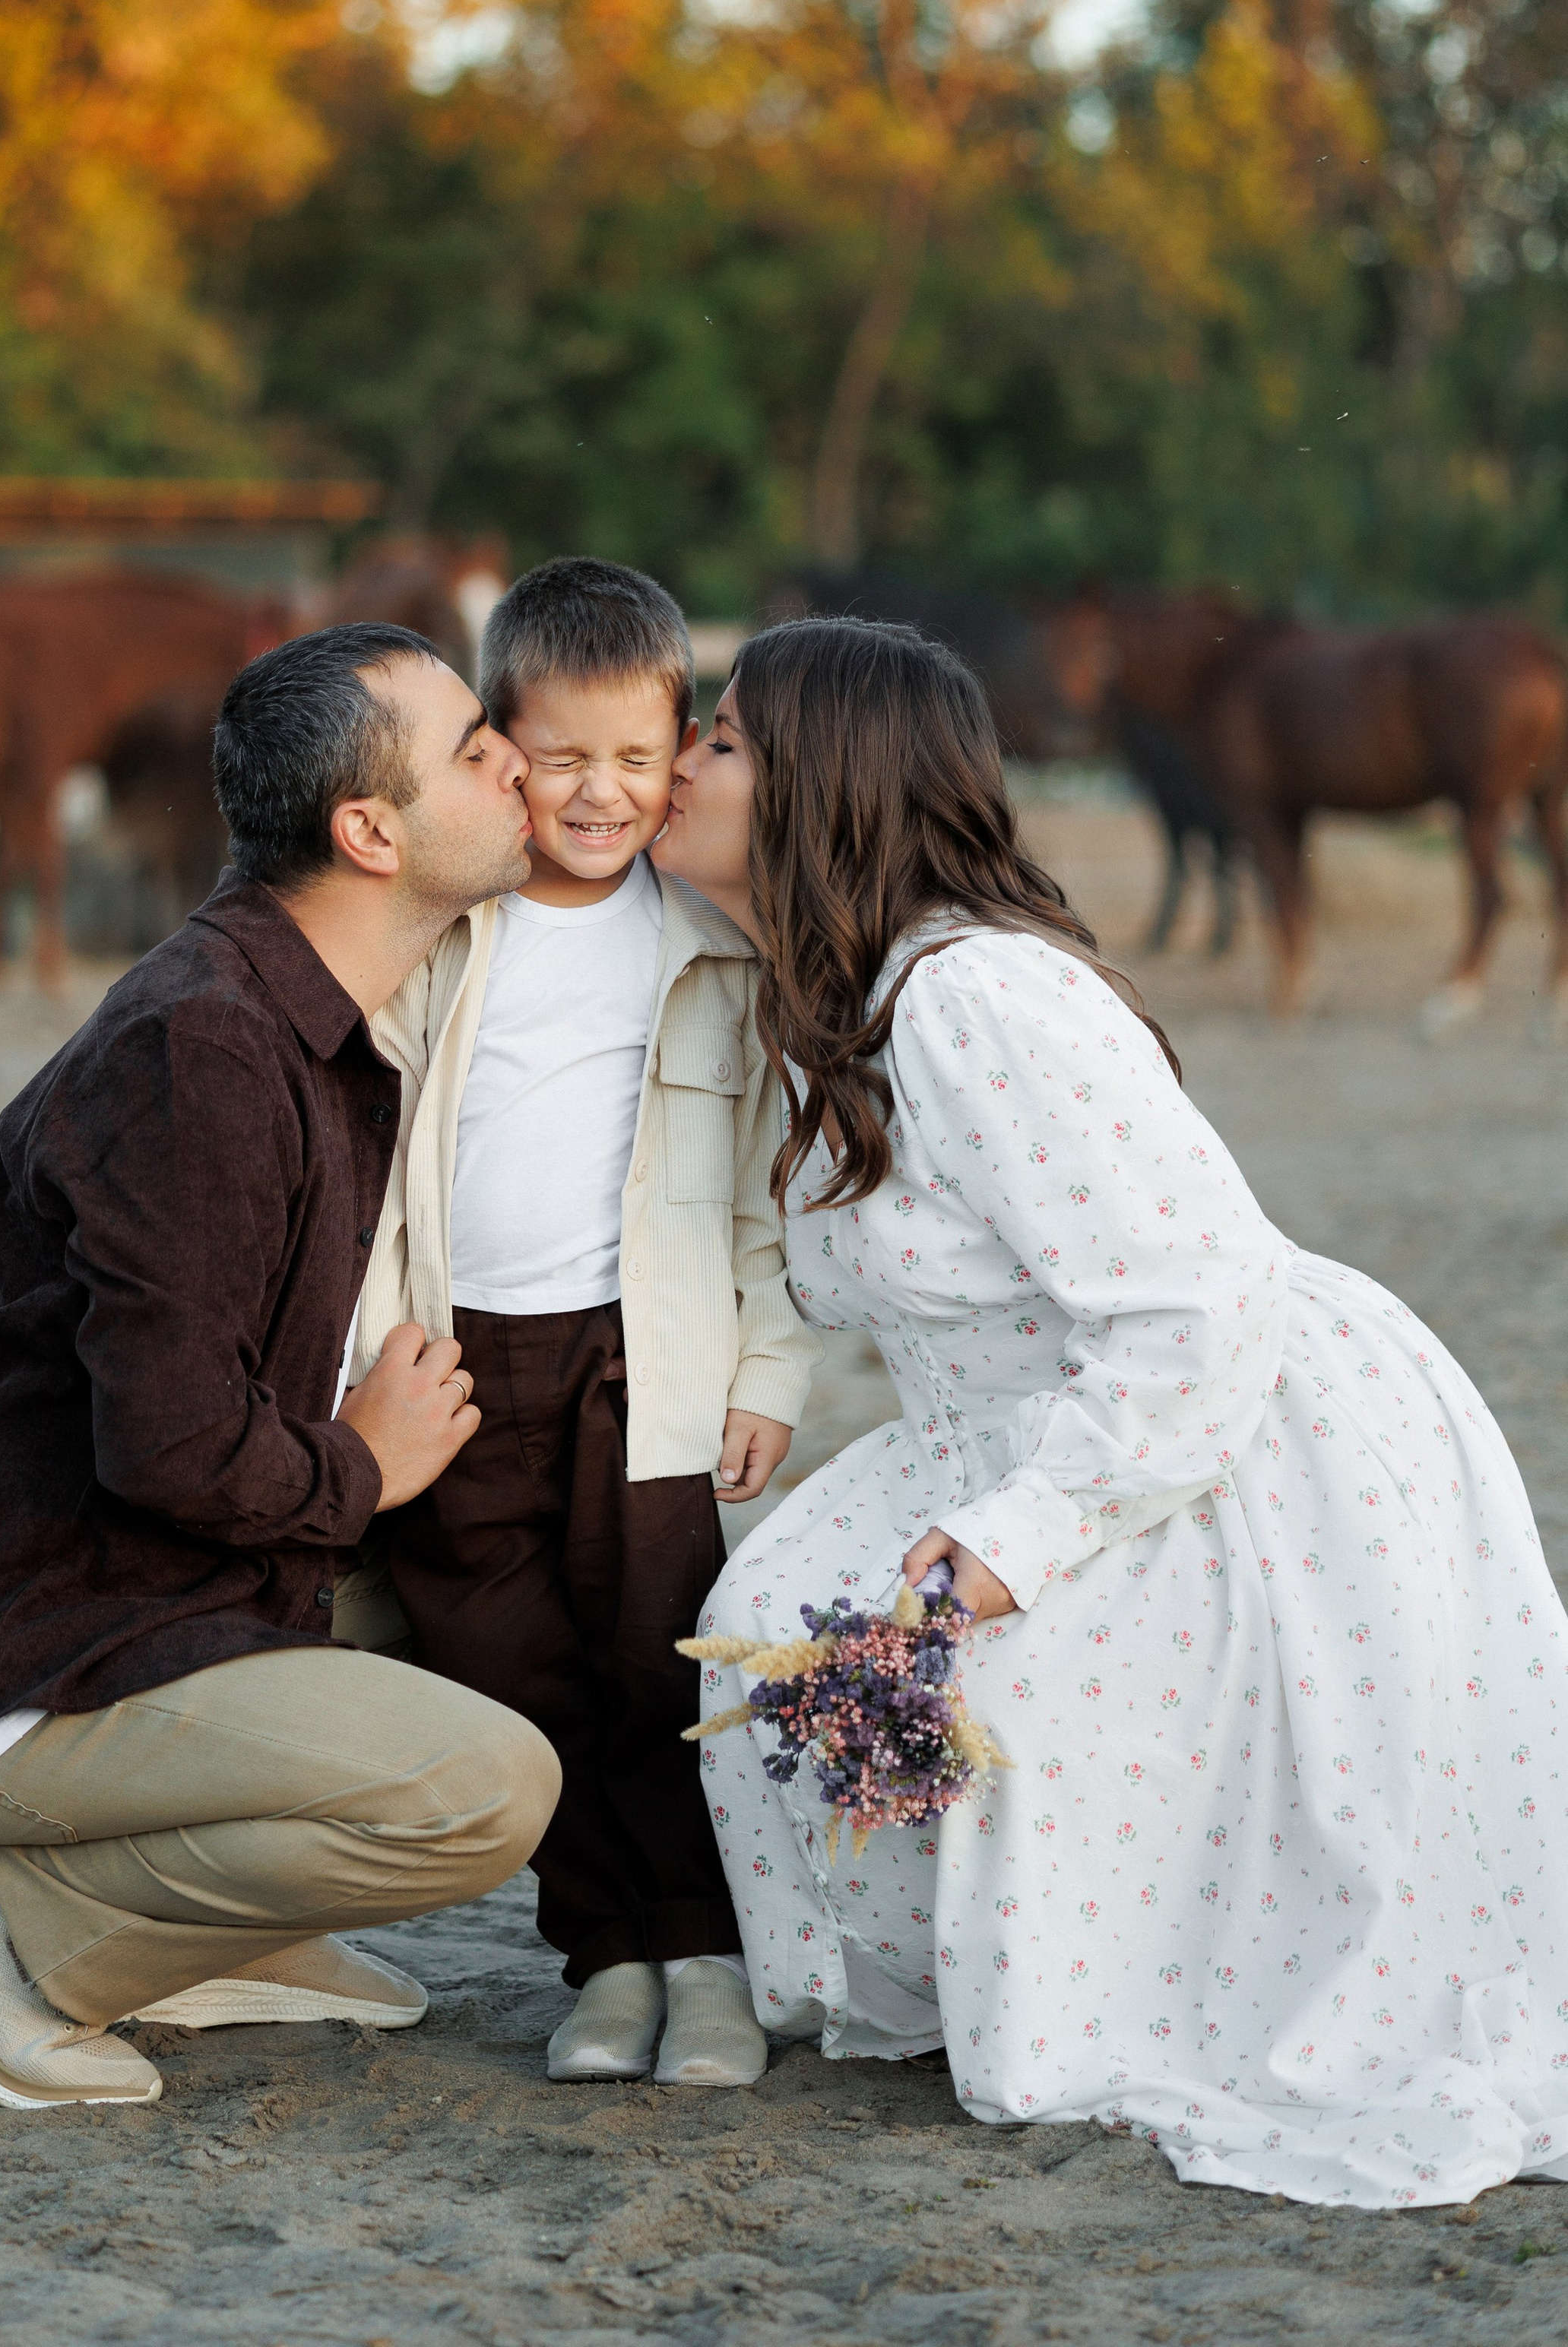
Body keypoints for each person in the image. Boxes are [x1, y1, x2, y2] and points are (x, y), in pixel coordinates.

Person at [654, 615, 1568, 2209]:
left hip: (1203, 1435)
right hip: (991, 1430)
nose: (673, 765)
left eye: (717, 740)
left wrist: (1011, 1544)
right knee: (775, 1631)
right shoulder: (818, 998)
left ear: (823, 785)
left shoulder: (973, 1001)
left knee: (981, 1706)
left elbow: (1191, 1304)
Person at [0, 624, 561, 2113]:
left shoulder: (305, 1010)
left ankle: (223, 1936)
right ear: (369, 832)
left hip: (157, 1599)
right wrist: (363, 1465)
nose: (514, 763)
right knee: (486, 1789)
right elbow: (163, 1446)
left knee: (504, 1596)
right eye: (474, 748)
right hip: (21, 1664)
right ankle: (16, 1933)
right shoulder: (203, 1051)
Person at [352, 559, 820, 2087]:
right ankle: (603, 1956)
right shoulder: (442, 938)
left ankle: (706, 1959)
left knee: (658, 1666)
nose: (601, 793)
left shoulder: (706, 942)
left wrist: (766, 1366)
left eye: (637, 758)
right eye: (562, 760)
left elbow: (764, 1185)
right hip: (452, 1367)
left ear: (679, 747)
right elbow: (363, 1174)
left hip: (647, 1360)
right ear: (499, 745)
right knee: (507, 1665)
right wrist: (356, 1364)